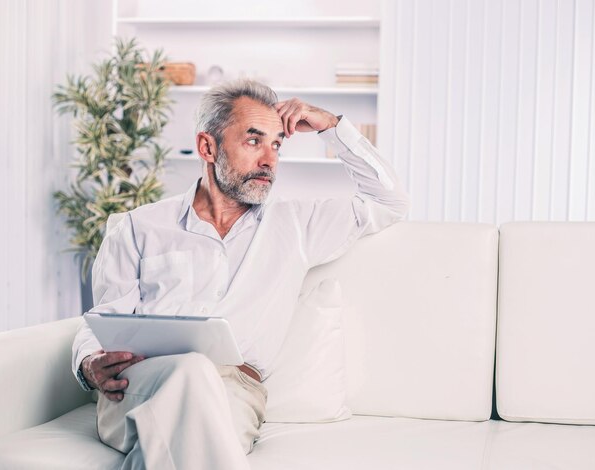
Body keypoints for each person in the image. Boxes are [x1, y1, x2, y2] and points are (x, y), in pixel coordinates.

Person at [71, 79, 409, 469]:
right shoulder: (136, 226)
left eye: (277, 144)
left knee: (190, 417)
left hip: (234, 392)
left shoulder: (298, 225)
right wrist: (87, 363)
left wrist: (331, 125)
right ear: (207, 147)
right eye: (254, 141)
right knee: (191, 384)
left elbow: (390, 201)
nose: (270, 159)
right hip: (141, 387)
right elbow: (102, 321)